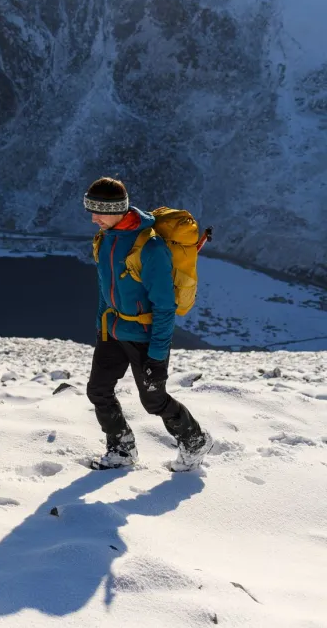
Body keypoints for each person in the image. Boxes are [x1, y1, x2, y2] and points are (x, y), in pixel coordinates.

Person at [83, 177, 213, 471]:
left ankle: (194, 439)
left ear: (117, 209)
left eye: (98, 209)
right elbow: (105, 287)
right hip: (113, 331)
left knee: (154, 401)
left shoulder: (150, 248)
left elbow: (165, 307)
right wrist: (101, 329)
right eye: (89, 207)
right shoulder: (105, 239)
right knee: (98, 390)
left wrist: (157, 356)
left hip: (144, 336)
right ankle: (121, 449)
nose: (93, 217)